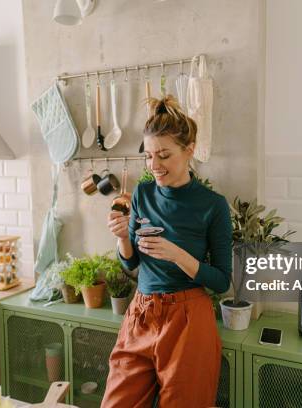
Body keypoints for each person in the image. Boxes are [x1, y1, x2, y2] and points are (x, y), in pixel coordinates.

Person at [102, 95, 232, 408]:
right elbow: (131, 262)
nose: (154, 166)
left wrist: (178, 255)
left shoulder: (213, 205)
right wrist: (122, 238)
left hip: (188, 320)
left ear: (189, 151)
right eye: (148, 156)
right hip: (141, 314)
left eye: (163, 155)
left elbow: (222, 281)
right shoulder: (142, 194)